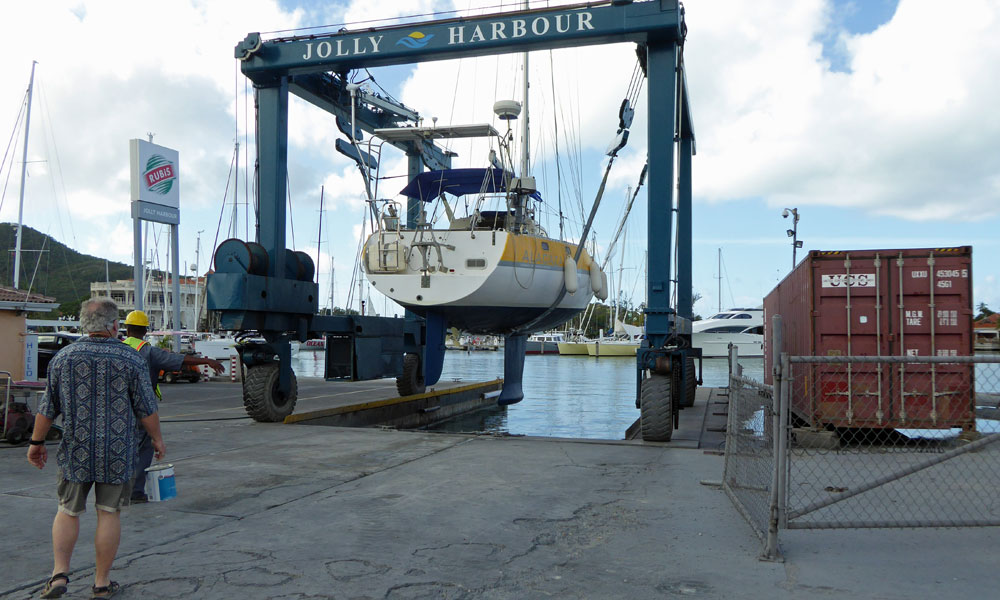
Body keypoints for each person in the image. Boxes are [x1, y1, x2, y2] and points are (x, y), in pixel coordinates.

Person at [26, 299, 163, 600]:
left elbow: (48, 408)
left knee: (67, 510)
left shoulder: (63, 358)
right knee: (109, 513)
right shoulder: (130, 359)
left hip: (76, 450)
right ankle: (101, 584)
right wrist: (157, 439)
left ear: (84, 325)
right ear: (115, 326)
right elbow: (145, 407)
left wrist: (36, 443)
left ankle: (59, 575)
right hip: (117, 450)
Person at [120, 310, 224, 503]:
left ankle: (116, 490)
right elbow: (180, 360)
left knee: (121, 447)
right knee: (144, 447)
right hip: (142, 409)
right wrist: (206, 360)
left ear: (126, 329)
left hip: (118, 409)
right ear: (145, 330)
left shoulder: (117, 349)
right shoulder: (148, 351)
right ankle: (134, 492)